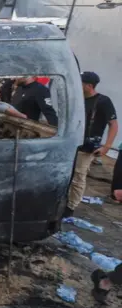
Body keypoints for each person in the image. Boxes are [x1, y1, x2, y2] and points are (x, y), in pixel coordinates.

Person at [64, 71, 118, 218]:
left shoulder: (103, 101)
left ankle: (71, 206)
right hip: (72, 142)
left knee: (78, 176)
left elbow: (113, 124)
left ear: (88, 85)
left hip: (88, 147)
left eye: (80, 82)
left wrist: (106, 146)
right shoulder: (79, 98)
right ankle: (64, 200)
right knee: (66, 174)